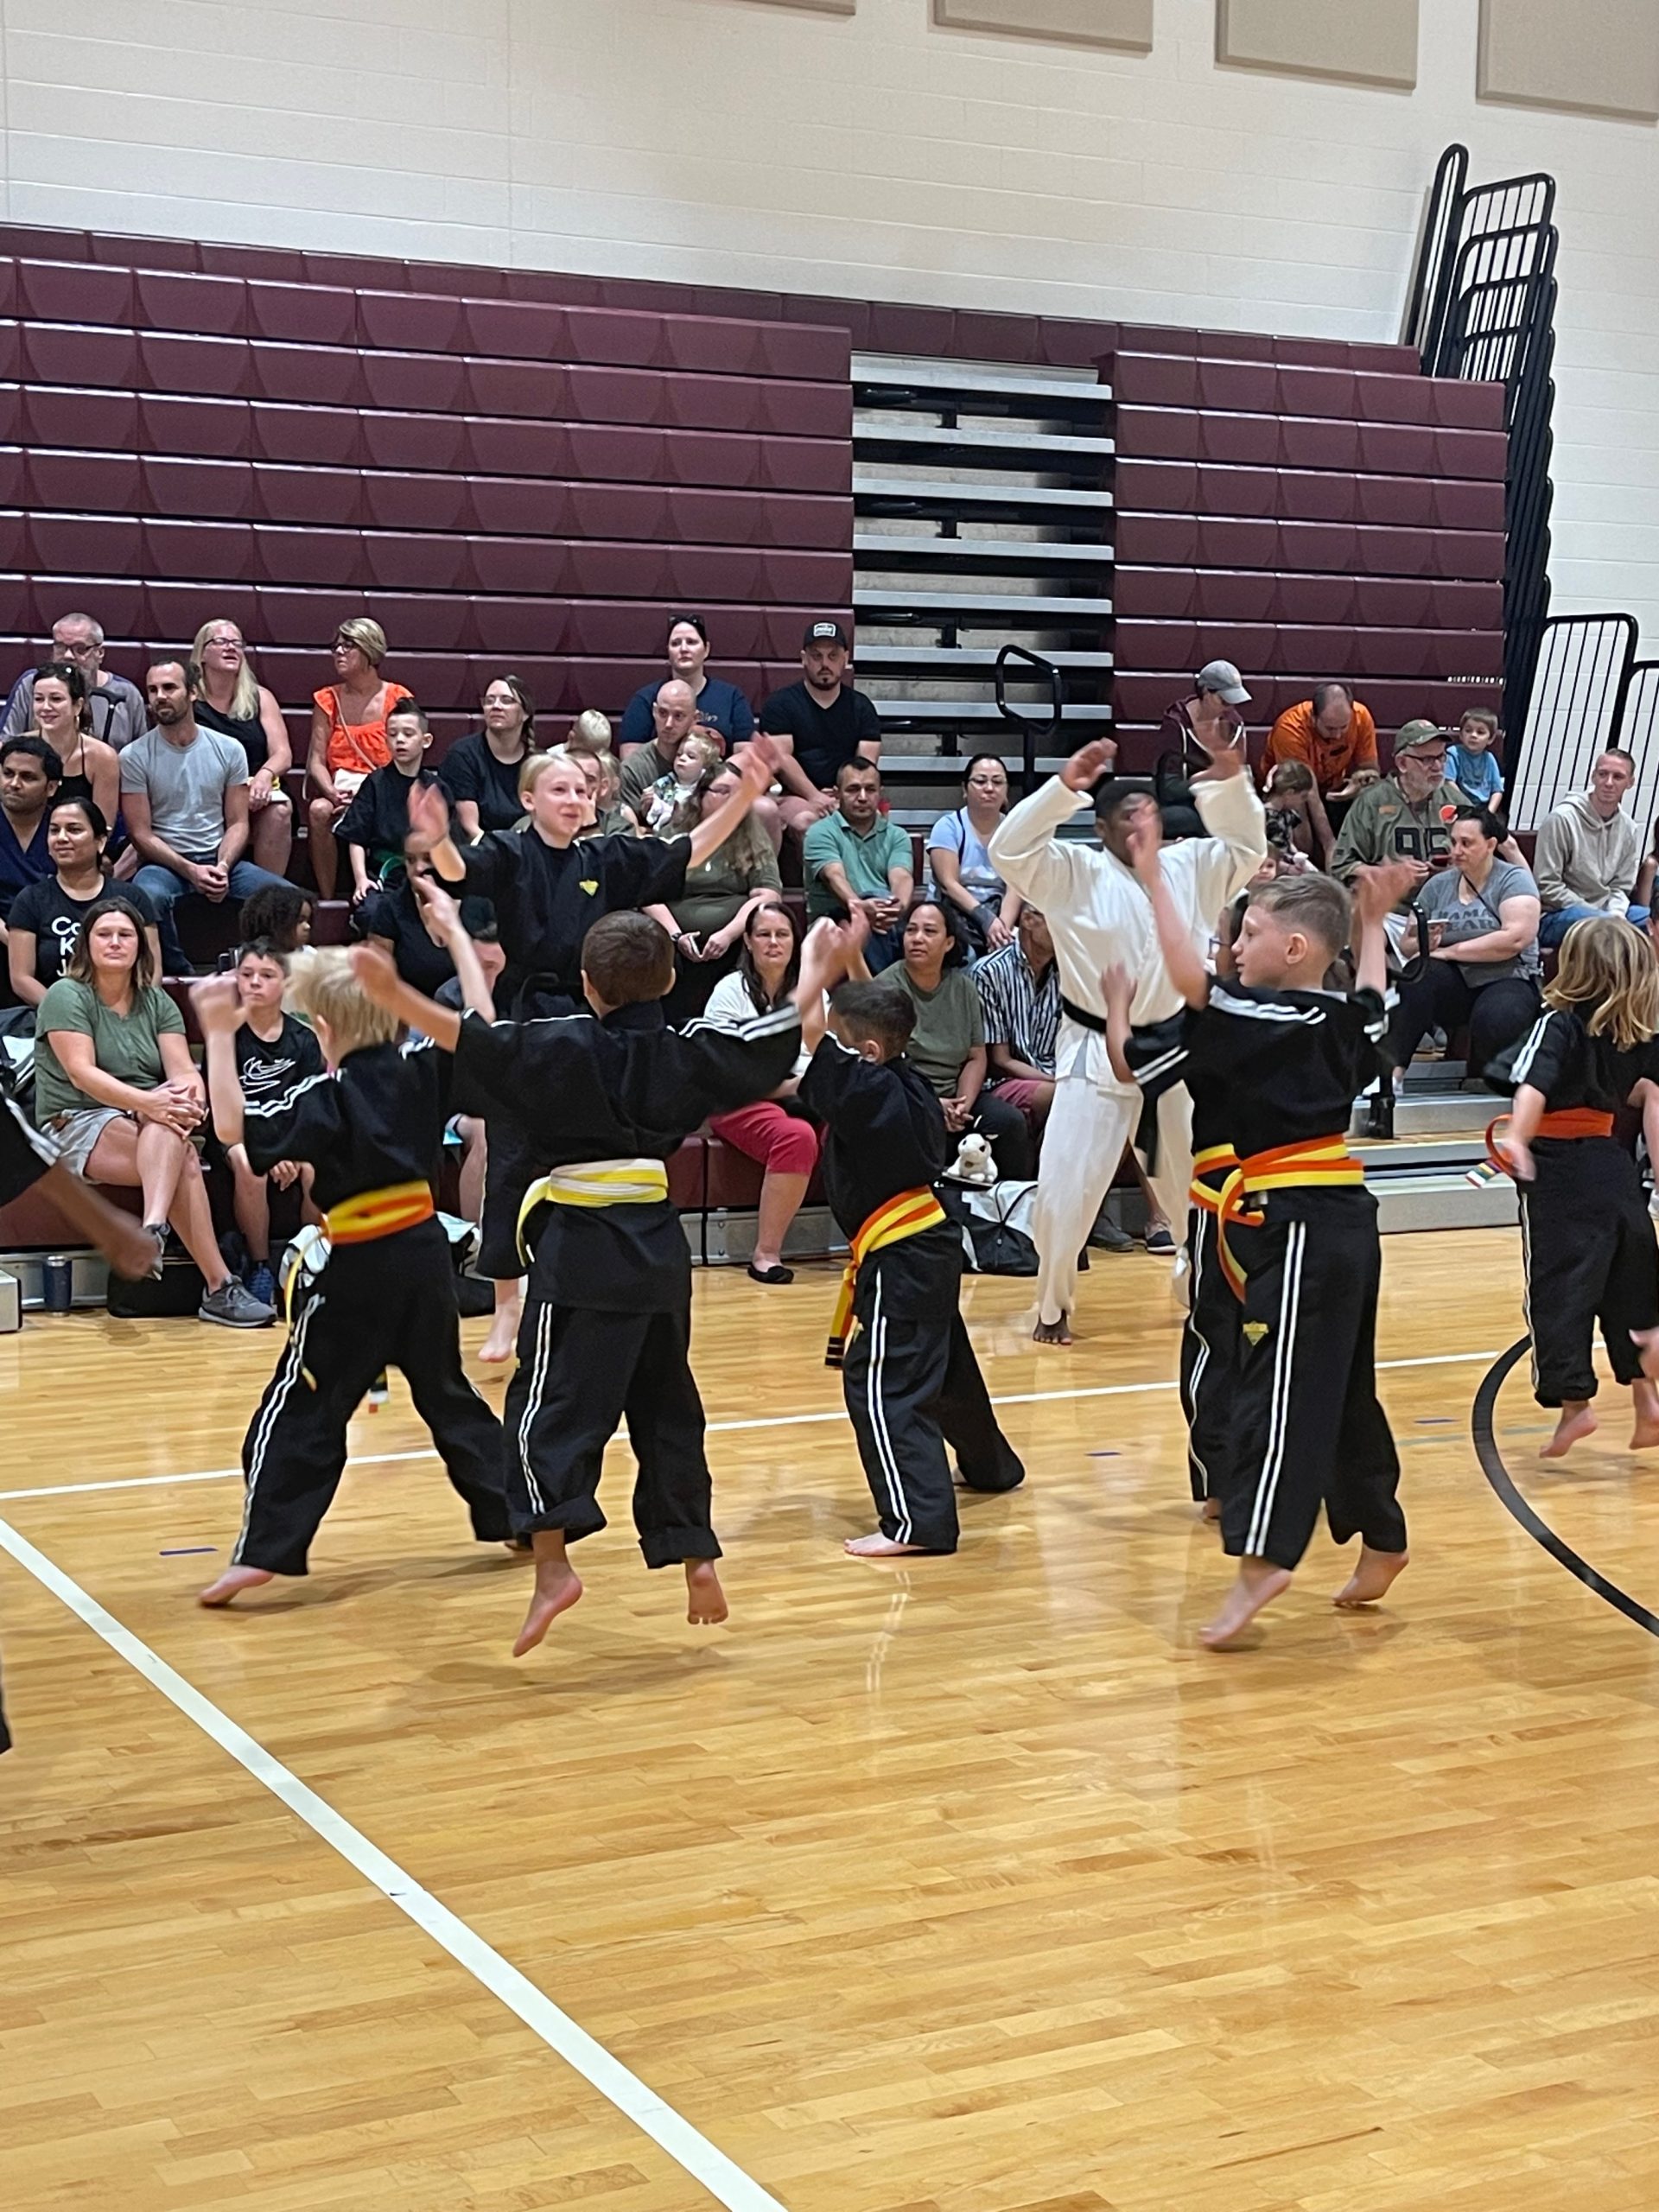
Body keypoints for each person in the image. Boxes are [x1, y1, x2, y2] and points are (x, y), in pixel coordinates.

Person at [348, 906, 803, 1653]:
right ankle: (696, 1553)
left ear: (588, 982)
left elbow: (472, 1038)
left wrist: (394, 994)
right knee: (666, 1405)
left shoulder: (561, 1045)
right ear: (668, 980)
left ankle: (553, 1568)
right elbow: (766, 1045)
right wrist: (820, 972)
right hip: (661, 1251)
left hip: (584, 1250)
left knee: (545, 1410)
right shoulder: (683, 1051)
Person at [408, 737, 781, 1363]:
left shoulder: (608, 855)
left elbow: (688, 849)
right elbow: (455, 869)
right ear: (529, 799)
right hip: (534, 1017)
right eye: (559, 788)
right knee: (510, 1158)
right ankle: (506, 1303)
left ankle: (609, 1273)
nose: (573, 798)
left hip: (606, 1016)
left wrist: (745, 793)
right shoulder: (510, 851)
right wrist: (436, 837)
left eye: (582, 789)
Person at [1125, 849, 1415, 1646]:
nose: (1236, 946)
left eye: (1249, 933)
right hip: (1344, 1218)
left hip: (1299, 1221)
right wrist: (1373, 922)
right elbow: (1373, 1001)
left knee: (1277, 1388)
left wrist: (1152, 879)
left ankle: (1265, 1558)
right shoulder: (1342, 1017)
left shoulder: (1269, 1015)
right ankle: (1382, 1535)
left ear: (1293, 948)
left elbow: (1193, 984)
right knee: (1343, 1389)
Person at [191, 950, 512, 1605]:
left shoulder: (326, 1094)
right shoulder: (421, 1069)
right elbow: (480, 1032)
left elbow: (232, 1129)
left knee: (300, 1406)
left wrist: (219, 1035)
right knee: (447, 1394)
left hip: (360, 1265)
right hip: (426, 1257)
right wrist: (457, 943)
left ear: (323, 1029)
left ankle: (264, 1550)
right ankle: (520, 1512)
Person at [988, 732, 1268, 1344]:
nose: (1142, 827)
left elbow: (1249, 846)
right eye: (1127, 818)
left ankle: (1201, 1284)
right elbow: (1008, 850)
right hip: (1094, 1049)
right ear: (1101, 828)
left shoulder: (1191, 867)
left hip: (1174, 1052)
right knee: (1066, 1189)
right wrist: (1062, 789)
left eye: (1149, 816)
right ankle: (1053, 1303)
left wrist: (1228, 784)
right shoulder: (1073, 871)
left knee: (1194, 1181)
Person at [796, 914, 1025, 1555]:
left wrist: (816, 962)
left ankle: (917, 1522)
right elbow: (873, 1014)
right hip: (928, 1244)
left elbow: (813, 1033)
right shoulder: (907, 1076)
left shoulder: (866, 1089)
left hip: (900, 1257)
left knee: (882, 1382)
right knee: (943, 1368)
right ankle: (991, 1466)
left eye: (844, 1041)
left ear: (866, 1052)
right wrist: (853, 962)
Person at [31, 895, 274, 1325]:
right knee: (184, 1157)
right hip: (74, 1119)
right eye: (104, 934)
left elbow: (184, 1072)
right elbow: (81, 1074)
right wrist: (150, 1103)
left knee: (172, 1136)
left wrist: (188, 1101)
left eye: (125, 935)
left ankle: (152, 1231)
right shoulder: (65, 995)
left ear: (140, 946)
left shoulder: (157, 1001)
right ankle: (219, 1286)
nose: (115, 942)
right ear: (86, 944)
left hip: (145, 1116)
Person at [1491, 918, 1659, 1459]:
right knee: (1629, 1287)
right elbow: (1653, 1101)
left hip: (1559, 1171)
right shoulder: (1636, 1034)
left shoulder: (1556, 1022)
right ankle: (1647, 1401)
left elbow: (1532, 1085)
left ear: (1573, 966)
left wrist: (1517, 1138)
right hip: (1614, 1170)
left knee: (1560, 1290)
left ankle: (1574, 1406)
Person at [1378, 804, 1541, 1133]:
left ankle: (1505, 1085)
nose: (1456, 851)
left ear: (1490, 845)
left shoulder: (1514, 879)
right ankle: (1390, 1080)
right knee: (1417, 977)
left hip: (1506, 976)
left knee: (1497, 1015)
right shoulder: (1438, 885)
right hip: (1454, 982)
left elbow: (1514, 939)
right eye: (1453, 842)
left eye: (1466, 843)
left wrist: (1450, 951)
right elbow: (1408, 945)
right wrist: (1425, 941)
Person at [121, 661, 289, 974]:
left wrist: (222, 866)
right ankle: (179, 976)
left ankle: (250, 965)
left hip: (219, 858)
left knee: (289, 901)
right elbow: (140, 834)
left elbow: (238, 823)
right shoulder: (133, 756)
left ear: (192, 692)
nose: (160, 697)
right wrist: (189, 869)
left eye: (169, 688)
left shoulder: (229, 749)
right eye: (153, 690)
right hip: (165, 863)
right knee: (146, 896)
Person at [870, 893, 1033, 1179]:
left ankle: (1009, 1201)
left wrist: (962, 1105)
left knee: (1008, 1121)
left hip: (957, 1097)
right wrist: (932, 1104)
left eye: (929, 931)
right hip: (907, 1098)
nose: (917, 938)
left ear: (949, 943)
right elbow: (884, 1067)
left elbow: (976, 1057)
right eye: (911, 930)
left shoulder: (964, 988)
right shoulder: (885, 987)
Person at [702, 901, 818, 1284]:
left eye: (782, 934)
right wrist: (788, 1086)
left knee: (860, 1118)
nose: (773, 942)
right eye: (764, 934)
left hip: (801, 1092)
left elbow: (826, 1052)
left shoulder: (810, 991)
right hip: (739, 1099)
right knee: (796, 1136)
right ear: (748, 942)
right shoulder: (728, 991)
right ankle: (766, 1253)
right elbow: (725, 1071)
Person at [219, 938, 323, 1307]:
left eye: (266, 975)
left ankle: (308, 1262)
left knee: (318, 1167)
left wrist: (288, 1146)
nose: (255, 983)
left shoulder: (304, 1039)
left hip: (291, 1134)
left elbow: (312, 1106)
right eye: (247, 974)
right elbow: (225, 1109)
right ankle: (259, 1265)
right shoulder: (225, 1037)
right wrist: (269, 1147)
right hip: (236, 1133)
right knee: (251, 1165)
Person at [646, 759, 784, 1020]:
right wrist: (676, 935)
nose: (732, 800)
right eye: (723, 791)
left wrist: (728, 934)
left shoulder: (753, 835)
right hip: (674, 934)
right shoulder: (674, 834)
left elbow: (767, 894)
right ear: (701, 795)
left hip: (732, 938)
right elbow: (649, 895)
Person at [7, 797, 160, 1006]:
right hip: (55, 1014)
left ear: (100, 842)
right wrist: (68, 1012)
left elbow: (151, 971)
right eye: (54, 830)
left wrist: (123, 1013)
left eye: (74, 830)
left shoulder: (133, 897)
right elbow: (22, 978)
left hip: (124, 1015)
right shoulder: (30, 900)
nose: (61, 838)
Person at [305, 620, 413, 899]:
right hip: (341, 787)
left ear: (370, 650)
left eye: (348, 645)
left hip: (384, 788)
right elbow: (316, 761)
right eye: (336, 646)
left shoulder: (398, 697)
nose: (339, 652)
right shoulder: (327, 699)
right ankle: (328, 897)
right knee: (318, 810)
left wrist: (373, 795)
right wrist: (332, 792)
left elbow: (409, 754)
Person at [760, 620, 883, 842]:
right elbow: (781, 759)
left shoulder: (862, 707)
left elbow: (865, 766)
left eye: (833, 656)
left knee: (878, 825)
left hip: (847, 794)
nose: (825, 663)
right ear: (804, 658)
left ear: (845, 658)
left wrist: (843, 797)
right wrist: (814, 796)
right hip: (795, 795)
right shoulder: (780, 704)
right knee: (807, 823)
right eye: (817, 656)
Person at [190, 619, 295, 878]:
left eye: (237, 643)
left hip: (255, 789)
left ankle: (268, 893)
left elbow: (283, 754)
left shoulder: (260, 697)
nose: (231, 648)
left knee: (280, 812)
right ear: (202, 653)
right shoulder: (190, 699)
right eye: (221, 642)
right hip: (206, 790)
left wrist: (265, 775)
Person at [1329, 721, 1462, 894]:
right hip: (1390, 905)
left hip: (1446, 902)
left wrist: (1454, 869)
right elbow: (1341, 866)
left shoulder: (1456, 801)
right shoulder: (1372, 803)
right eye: (1427, 759)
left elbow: (1484, 859)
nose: (1438, 767)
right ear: (1402, 763)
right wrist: (1387, 874)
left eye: (1441, 757)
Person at [1533, 747, 1647, 947]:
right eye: (1603, 774)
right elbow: (1547, 885)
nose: (1608, 782)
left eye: (1618, 777)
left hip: (1607, 910)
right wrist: (1600, 916)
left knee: (1650, 920)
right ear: (1593, 776)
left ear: (1630, 783)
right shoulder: (1561, 819)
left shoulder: (1628, 828)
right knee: (1607, 927)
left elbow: (1621, 886)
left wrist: (1616, 914)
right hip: (1558, 914)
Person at [801, 759, 913, 963]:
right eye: (853, 790)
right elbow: (834, 877)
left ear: (880, 793)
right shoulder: (820, 832)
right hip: (835, 920)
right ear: (837, 794)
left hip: (885, 920)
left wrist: (897, 908)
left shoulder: (897, 835)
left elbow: (902, 877)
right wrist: (860, 908)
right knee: (863, 921)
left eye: (870, 790)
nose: (862, 797)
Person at [337, 699, 442, 902]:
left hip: (427, 875)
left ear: (426, 740)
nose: (399, 740)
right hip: (384, 876)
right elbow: (356, 838)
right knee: (372, 911)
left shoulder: (437, 788)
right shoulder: (375, 783)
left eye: (408, 734)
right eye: (393, 735)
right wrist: (361, 879)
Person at [975, 903, 1060, 1140]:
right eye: (1059, 920)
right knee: (1063, 1098)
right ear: (1029, 919)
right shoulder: (989, 973)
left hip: (1053, 1075)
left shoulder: (1067, 975)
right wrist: (1059, 1081)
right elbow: (1000, 1061)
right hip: (1005, 1081)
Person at [2, 612, 146, 751]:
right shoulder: (32, 683)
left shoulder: (127, 694)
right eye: (60, 647)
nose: (68, 655)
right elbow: (6, 743)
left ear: (100, 653)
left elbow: (140, 755)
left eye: (80, 649)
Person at [356, 854, 492, 998]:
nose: (419, 868)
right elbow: (379, 983)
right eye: (411, 860)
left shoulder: (482, 903)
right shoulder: (390, 908)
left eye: (428, 859)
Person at [926, 755, 1023, 953]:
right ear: (965, 789)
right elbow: (949, 884)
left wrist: (1001, 930)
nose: (989, 788)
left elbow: (1016, 887)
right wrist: (986, 920)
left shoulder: (1015, 830)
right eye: (980, 781)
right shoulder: (948, 826)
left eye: (997, 782)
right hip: (956, 911)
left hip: (1000, 913)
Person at [619, 614, 755, 751]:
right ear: (668, 651)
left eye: (691, 642)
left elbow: (747, 755)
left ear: (706, 649)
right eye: (676, 643)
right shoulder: (645, 699)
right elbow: (630, 757)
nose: (683, 649)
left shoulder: (731, 697)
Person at [438, 676, 540, 839]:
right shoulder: (462, 755)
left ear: (525, 713)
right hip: (479, 849)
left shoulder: (539, 762)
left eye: (506, 700)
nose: (496, 706)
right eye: (489, 701)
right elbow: (470, 828)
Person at [23, 662, 119, 828]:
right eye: (39, 699)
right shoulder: (16, 750)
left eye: (56, 699)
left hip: (79, 842)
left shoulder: (103, 757)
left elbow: (104, 828)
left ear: (77, 706)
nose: (45, 707)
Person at [1264, 683, 1378, 798]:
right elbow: (1304, 790)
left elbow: (1369, 769)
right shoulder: (1290, 729)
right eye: (1330, 729)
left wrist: (1359, 783)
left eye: (1344, 727)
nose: (1338, 736)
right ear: (1313, 718)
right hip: (1290, 796)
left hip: (1336, 790)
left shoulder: (1360, 716)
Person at [617, 681, 705, 818]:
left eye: (678, 716)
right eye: (663, 713)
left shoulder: (707, 762)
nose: (669, 724)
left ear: (695, 718)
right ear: (654, 711)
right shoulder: (632, 771)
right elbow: (626, 829)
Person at [0, 735, 61, 926]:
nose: (14, 784)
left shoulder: (64, 829)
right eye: (8, 774)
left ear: (51, 788)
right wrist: (15, 940)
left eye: (27, 777)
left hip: (50, 930)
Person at [1157, 659, 1252, 778]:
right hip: (1189, 789)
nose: (1229, 708)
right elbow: (1167, 785)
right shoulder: (1177, 725)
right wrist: (1208, 776)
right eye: (1224, 701)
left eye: (1234, 702)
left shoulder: (1235, 724)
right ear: (1206, 692)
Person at [632, 730, 722, 837]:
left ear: (706, 765)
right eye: (679, 754)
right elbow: (650, 814)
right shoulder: (666, 783)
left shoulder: (705, 789)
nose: (682, 758)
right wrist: (648, 806)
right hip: (663, 834)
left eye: (691, 756)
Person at [1262, 759, 1333, 870]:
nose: (1304, 801)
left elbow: (1288, 843)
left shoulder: (1287, 814)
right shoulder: (1269, 818)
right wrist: (1289, 868)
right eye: (1303, 796)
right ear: (1289, 793)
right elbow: (1273, 853)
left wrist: (1298, 857)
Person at [1446, 709, 1505, 811]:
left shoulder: (1489, 758)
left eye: (1480, 732)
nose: (1473, 735)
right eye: (1468, 731)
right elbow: (1448, 783)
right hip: (1458, 805)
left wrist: (1489, 812)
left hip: (1483, 808)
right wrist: (1466, 806)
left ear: (1490, 739)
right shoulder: (1453, 753)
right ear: (1461, 735)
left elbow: (1497, 791)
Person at [238, 880, 315, 956]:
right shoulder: (248, 956)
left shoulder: (310, 955)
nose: (308, 927)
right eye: (300, 921)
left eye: (308, 921)